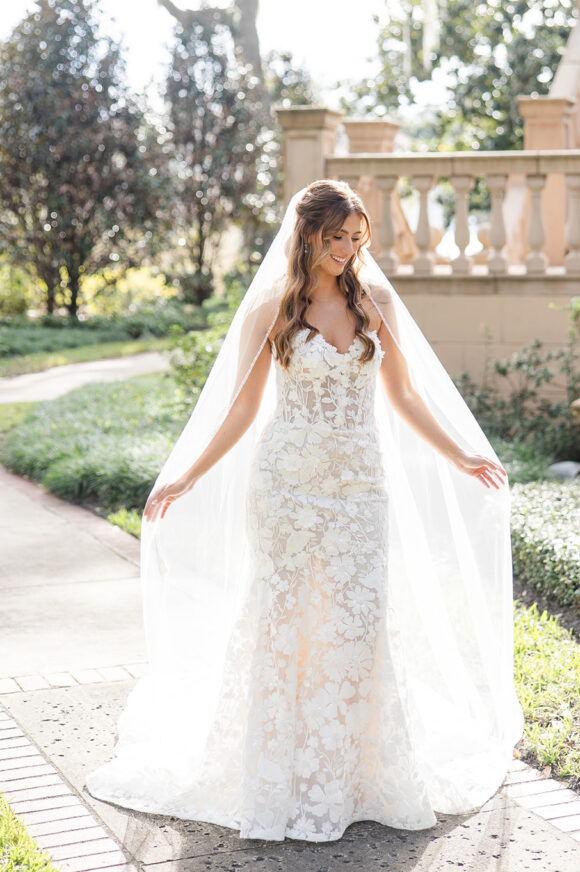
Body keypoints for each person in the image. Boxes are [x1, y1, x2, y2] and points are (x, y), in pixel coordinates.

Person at [85, 179, 523, 842]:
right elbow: (241, 409)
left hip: (359, 489)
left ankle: (352, 779)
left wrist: (461, 455)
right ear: (309, 233)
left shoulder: (376, 303)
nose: (348, 249)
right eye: (337, 237)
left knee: (355, 623)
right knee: (285, 623)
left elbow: (403, 399)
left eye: (356, 238)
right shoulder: (272, 308)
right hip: (285, 488)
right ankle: (277, 777)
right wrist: (186, 474)